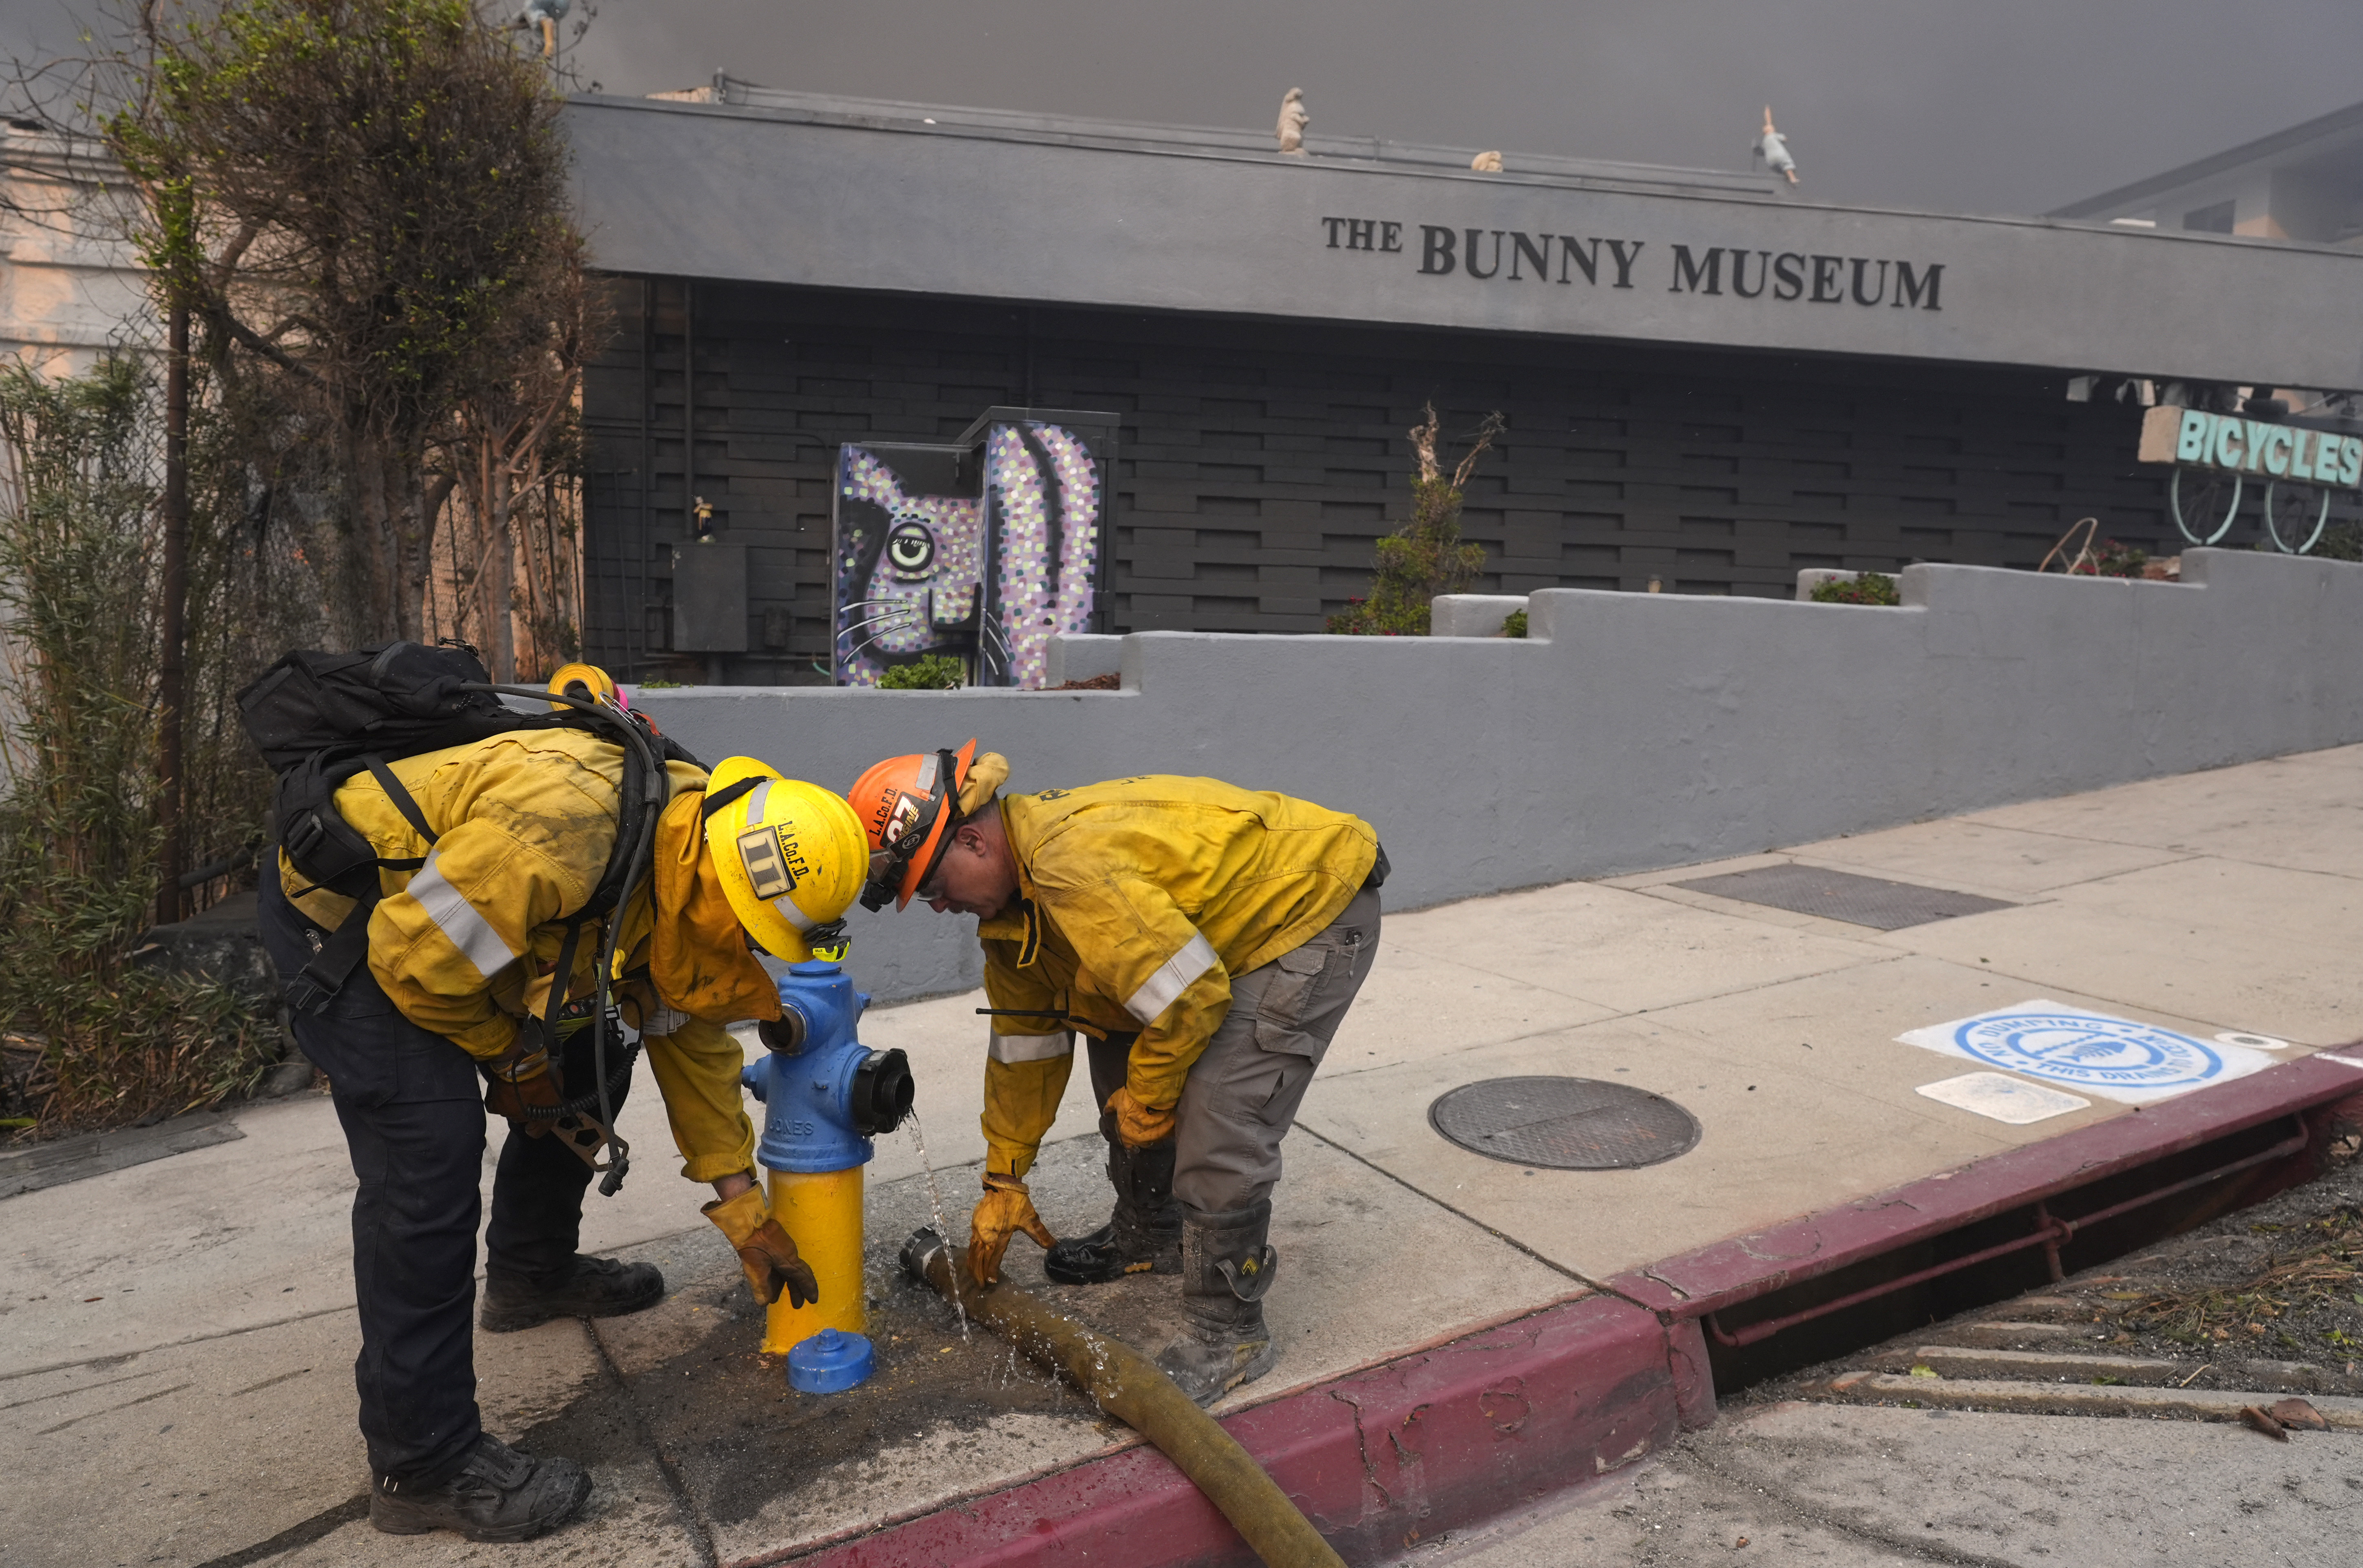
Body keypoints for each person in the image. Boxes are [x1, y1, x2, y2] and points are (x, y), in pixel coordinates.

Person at [259, 689, 869, 1543]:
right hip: (353, 921)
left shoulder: (689, 837)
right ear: (725, 881)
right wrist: (511, 1056)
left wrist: (744, 1209)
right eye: (757, 928)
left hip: (445, 915)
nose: (757, 946)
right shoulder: (565, 832)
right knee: (428, 1149)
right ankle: (422, 1463)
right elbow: (415, 962)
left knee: (593, 1051)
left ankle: (529, 1273)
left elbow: (684, 1035)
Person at [848, 741, 1384, 1405]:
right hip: (1212, 939)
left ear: (971, 841)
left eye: (931, 885)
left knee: (1218, 1115)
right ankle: (1152, 1233)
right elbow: (1026, 1047)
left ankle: (1232, 1331)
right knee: (1121, 1060)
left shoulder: (1073, 867)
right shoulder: (1013, 916)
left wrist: (1153, 1099)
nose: (935, 905)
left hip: (1309, 908)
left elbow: (1190, 998)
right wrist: (1004, 1175)